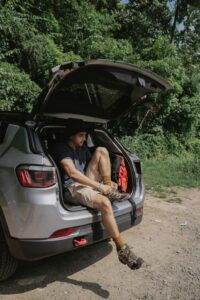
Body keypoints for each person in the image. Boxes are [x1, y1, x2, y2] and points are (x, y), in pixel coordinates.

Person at [50, 119, 144, 270]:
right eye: (81, 135)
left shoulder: (83, 147)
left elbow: (94, 166)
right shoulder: (60, 148)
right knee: (105, 204)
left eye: (85, 135)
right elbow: (73, 174)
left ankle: (109, 189)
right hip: (71, 187)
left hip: (85, 182)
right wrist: (99, 186)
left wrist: (108, 183)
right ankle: (122, 250)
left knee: (101, 150)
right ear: (70, 135)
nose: (84, 138)